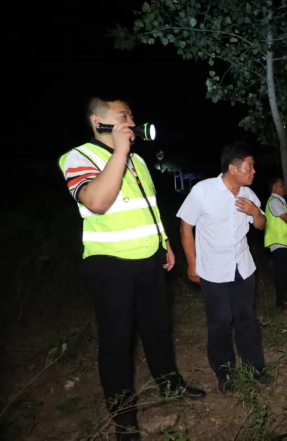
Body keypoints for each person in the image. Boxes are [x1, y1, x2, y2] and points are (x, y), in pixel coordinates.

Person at [58, 97, 205, 441]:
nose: (132, 121)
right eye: (123, 115)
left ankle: (169, 383)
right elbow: (96, 201)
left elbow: (148, 207)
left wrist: (164, 243)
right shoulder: (79, 156)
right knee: (117, 342)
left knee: (158, 329)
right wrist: (120, 151)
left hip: (150, 259)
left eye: (132, 115)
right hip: (110, 265)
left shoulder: (138, 160)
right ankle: (124, 418)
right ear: (98, 121)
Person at [177, 142, 274, 393]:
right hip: (213, 269)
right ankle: (225, 372)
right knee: (219, 321)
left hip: (243, 266)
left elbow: (261, 225)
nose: (254, 171)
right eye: (249, 167)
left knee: (247, 318)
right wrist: (192, 263)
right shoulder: (203, 190)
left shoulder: (248, 194)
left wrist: (255, 212)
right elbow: (186, 228)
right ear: (233, 168)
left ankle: (256, 366)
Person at [264, 176, 287, 309]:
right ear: (274, 187)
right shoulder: (274, 201)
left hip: (286, 243)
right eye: (282, 186)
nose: (284, 188)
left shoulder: (280, 202)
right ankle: (281, 302)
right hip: (279, 244)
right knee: (283, 274)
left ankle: (285, 299)